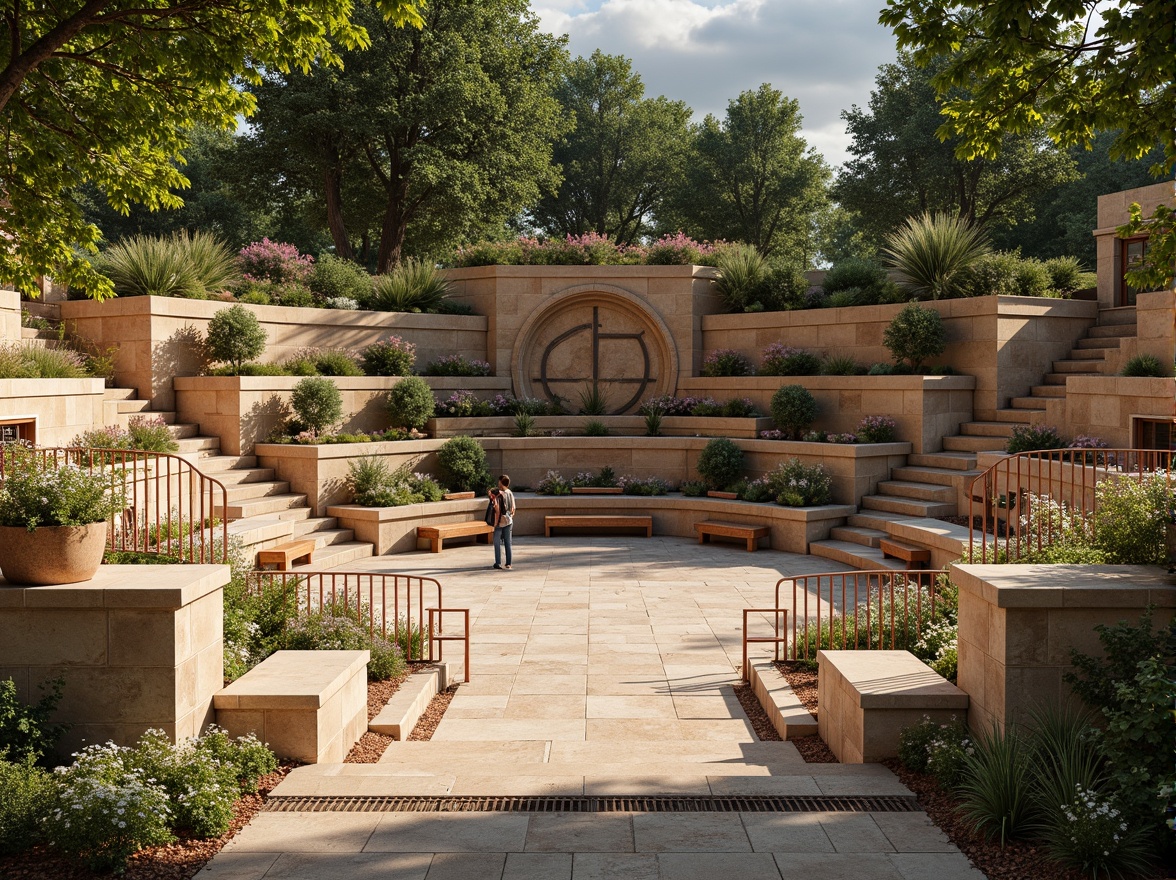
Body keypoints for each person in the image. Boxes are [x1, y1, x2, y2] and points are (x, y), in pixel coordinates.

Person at [491, 474, 515, 570]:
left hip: (499, 522)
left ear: (501, 482)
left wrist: (495, 522)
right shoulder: (510, 493)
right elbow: (513, 508)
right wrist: (510, 516)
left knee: (497, 543)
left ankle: (498, 563)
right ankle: (508, 563)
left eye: (499, 481)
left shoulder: (499, 494)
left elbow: (497, 510)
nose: (498, 483)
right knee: (508, 543)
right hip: (508, 521)